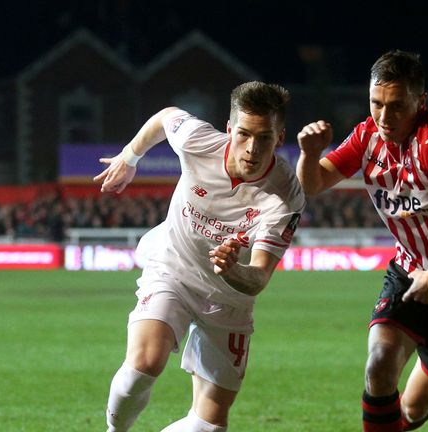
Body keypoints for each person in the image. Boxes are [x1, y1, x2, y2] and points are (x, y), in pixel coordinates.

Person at [296, 50, 428, 431]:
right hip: (409, 271)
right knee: (379, 364)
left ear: (420, 101)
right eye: (376, 103)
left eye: (396, 106)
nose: (384, 116)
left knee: (412, 408)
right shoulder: (366, 136)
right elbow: (312, 184)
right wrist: (310, 155)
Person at [94, 81, 305, 432]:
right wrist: (130, 157)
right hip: (173, 268)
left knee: (210, 424)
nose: (252, 148)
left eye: (264, 137)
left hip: (228, 298)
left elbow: (259, 276)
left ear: (279, 137)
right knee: (144, 364)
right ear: (229, 130)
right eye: (244, 134)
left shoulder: (285, 197)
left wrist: (232, 270)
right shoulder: (199, 141)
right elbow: (165, 118)